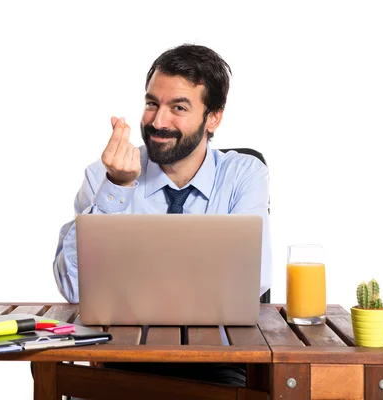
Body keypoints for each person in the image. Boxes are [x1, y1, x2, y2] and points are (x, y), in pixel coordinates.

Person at [53, 44, 272, 387]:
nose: (157, 121)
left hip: (218, 362)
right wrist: (118, 188)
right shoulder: (105, 176)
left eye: (178, 107)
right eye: (152, 103)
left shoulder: (244, 174)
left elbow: (253, 279)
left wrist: (131, 284)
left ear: (213, 117)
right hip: (121, 358)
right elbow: (74, 288)